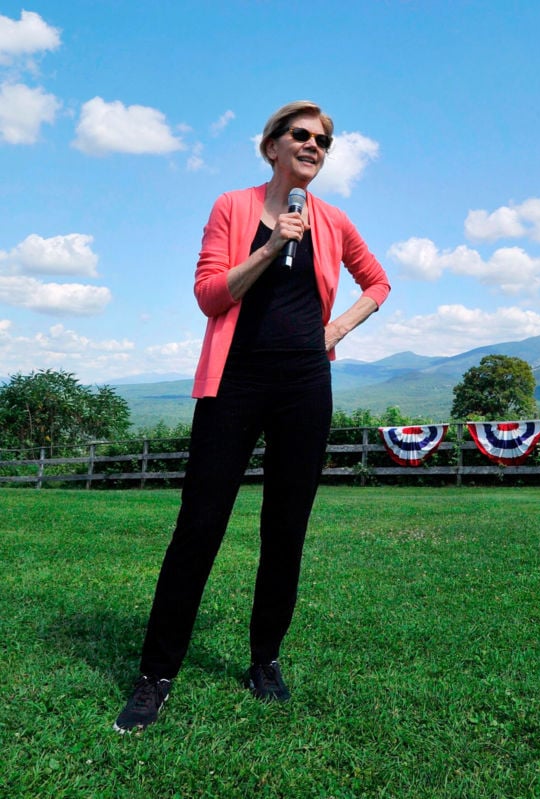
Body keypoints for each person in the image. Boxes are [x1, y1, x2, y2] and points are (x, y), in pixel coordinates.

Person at [114, 101, 391, 733]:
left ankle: (264, 662)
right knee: (198, 529)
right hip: (233, 383)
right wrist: (270, 247)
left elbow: (377, 283)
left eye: (324, 140)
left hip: (303, 385)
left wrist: (336, 328)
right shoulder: (232, 208)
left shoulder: (335, 220)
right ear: (271, 147)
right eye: (301, 136)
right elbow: (209, 295)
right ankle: (156, 676)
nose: (314, 146)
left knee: (285, 531)